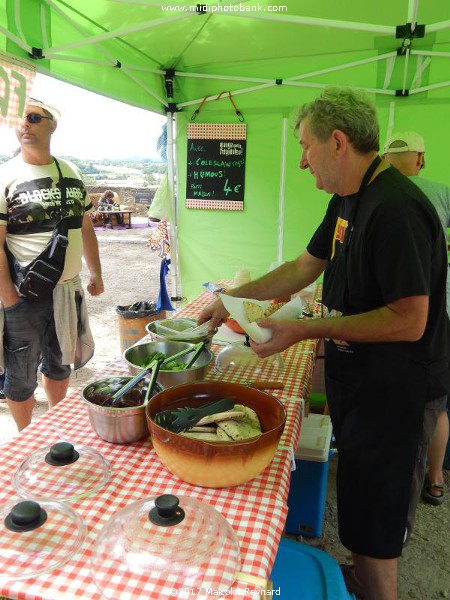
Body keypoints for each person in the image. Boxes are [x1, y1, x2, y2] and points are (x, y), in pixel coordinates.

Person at [198, 88, 449, 600]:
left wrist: (308, 330)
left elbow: (410, 320)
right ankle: (360, 574)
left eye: (305, 145)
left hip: (395, 393)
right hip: (361, 383)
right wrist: (230, 299)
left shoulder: (396, 208)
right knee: (357, 499)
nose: (301, 159)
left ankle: (379, 585)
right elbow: (301, 268)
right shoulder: (347, 198)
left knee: (379, 520)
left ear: (337, 142)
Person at [0, 97, 104, 432]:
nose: (25, 125)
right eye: (21, 120)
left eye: (33, 118)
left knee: (59, 367)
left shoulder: (71, 171)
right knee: (20, 376)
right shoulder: (6, 175)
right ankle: (25, 440)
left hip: (67, 292)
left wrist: (96, 272)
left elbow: (85, 226)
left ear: (52, 125)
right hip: (23, 295)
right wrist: (9, 300)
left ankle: (55, 431)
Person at [383, 131, 450, 506]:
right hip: (441, 311)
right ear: (420, 158)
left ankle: (400, 476)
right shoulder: (439, 192)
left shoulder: (378, 195)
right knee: (435, 401)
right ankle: (435, 477)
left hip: (395, 317)